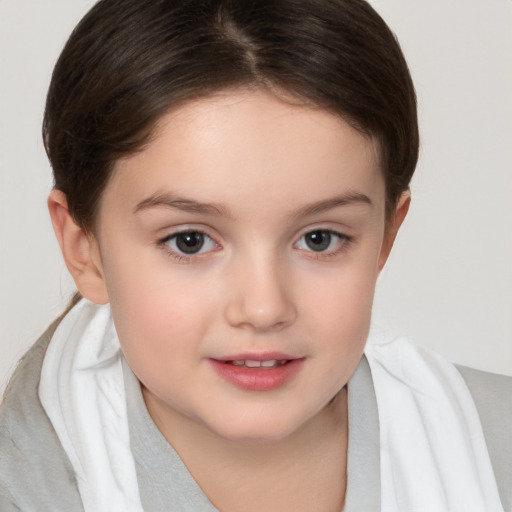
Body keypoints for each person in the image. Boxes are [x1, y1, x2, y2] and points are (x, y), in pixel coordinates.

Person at [0, 0, 510, 510]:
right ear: (83, 249)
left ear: (385, 237)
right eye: (189, 241)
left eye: (319, 239)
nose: (264, 308)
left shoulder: (495, 446)